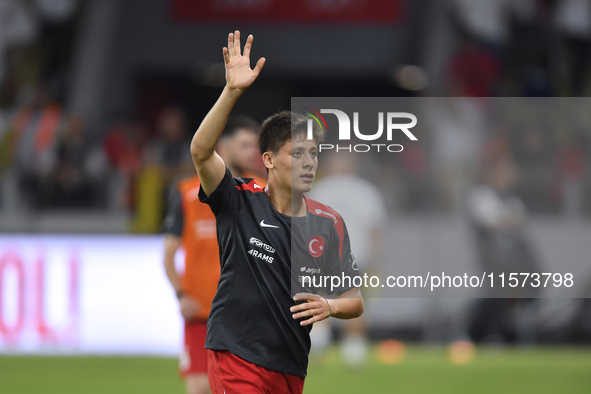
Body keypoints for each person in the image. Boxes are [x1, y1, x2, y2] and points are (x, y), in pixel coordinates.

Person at [190, 31, 364, 393]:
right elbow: (202, 152)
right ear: (268, 160)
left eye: (314, 154)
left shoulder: (327, 223)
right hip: (236, 357)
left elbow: (355, 300)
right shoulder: (239, 200)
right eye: (297, 153)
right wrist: (232, 92)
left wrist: (330, 307)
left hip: (290, 367)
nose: (309, 163)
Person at [163, 115, 265, 394]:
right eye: (244, 145)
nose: (252, 152)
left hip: (244, 313)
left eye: (254, 146)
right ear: (223, 147)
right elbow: (169, 253)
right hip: (200, 312)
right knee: (199, 388)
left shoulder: (264, 192)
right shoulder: (186, 193)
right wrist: (181, 294)